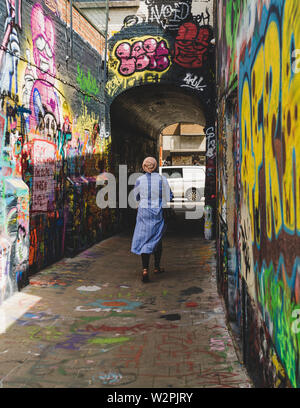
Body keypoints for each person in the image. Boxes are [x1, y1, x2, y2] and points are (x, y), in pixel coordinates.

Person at [131, 157, 173, 282]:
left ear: (144, 167)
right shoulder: (162, 179)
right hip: (157, 212)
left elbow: (136, 196)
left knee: (144, 239)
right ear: (155, 166)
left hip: (143, 212)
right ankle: (157, 266)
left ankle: (145, 269)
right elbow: (169, 196)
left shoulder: (139, 180)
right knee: (157, 238)